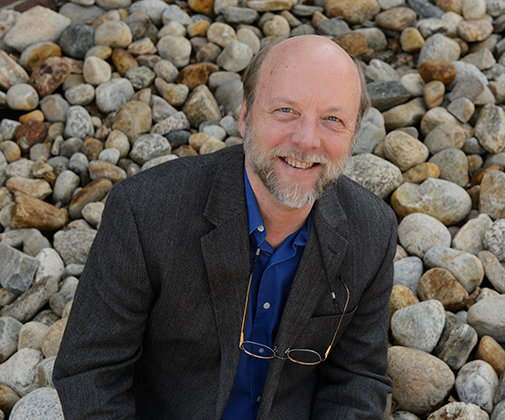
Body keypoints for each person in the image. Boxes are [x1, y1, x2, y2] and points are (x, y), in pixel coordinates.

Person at [53, 35, 398, 420]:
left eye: (332, 119)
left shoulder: (373, 230)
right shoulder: (145, 212)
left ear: (354, 134)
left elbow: (357, 380)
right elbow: (90, 372)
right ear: (246, 115)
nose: (307, 140)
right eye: (286, 110)